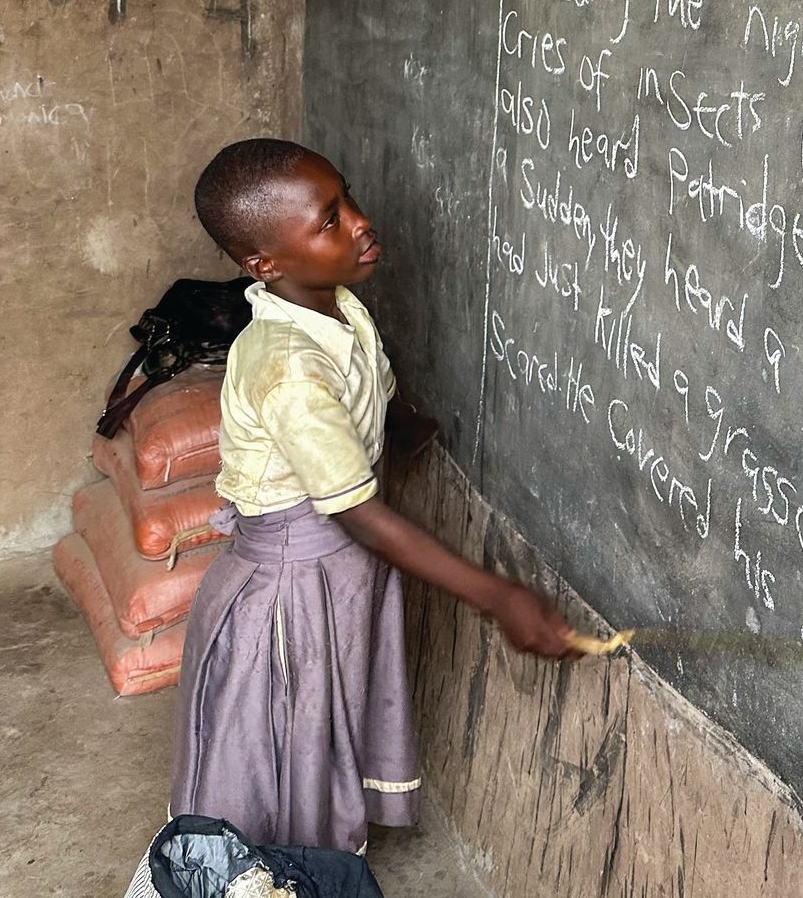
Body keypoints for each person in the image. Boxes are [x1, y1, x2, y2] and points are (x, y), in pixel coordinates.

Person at [171, 137, 576, 854]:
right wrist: (497, 594)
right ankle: (287, 871)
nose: (360, 222)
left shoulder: (338, 309)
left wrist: (403, 422)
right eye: (329, 220)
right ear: (263, 265)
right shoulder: (286, 367)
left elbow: (367, 388)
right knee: (280, 747)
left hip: (336, 576)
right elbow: (357, 514)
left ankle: (321, 859)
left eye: (347, 198)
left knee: (324, 730)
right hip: (290, 590)